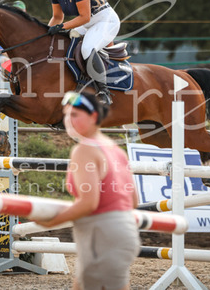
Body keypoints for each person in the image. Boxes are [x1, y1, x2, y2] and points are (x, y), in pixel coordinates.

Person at [35, 91, 140, 290]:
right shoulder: (115, 149)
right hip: (122, 231)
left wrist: (51, 221)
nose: (68, 120)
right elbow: (133, 200)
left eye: (75, 114)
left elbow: (89, 203)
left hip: (101, 233)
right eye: (66, 114)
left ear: (93, 116)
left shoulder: (84, 150)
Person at [43, 0, 120, 105]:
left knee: (87, 49)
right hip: (88, 23)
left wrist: (61, 27)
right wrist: (45, 34)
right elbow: (57, 17)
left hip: (106, 21)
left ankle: (104, 91)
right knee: (64, 41)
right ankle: (79, 80)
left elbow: (85, 17)